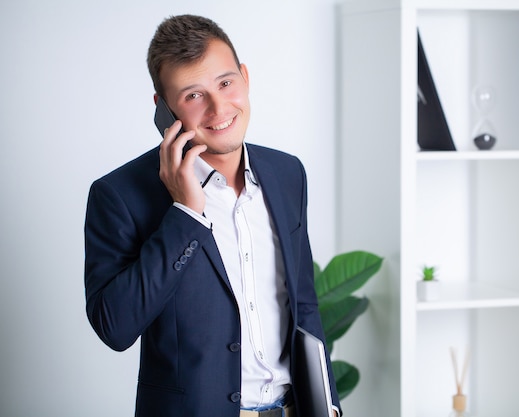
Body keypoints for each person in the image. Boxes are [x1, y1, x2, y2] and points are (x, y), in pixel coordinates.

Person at [84, 14, 341, 417]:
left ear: (244, 77)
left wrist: (328, 406)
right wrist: (185, 213)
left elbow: (304, 306)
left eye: (225, 83)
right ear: (164, 110)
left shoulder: (288, 173)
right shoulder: (119, 195)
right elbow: (113, 328)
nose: (219, 108)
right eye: (193, 95)